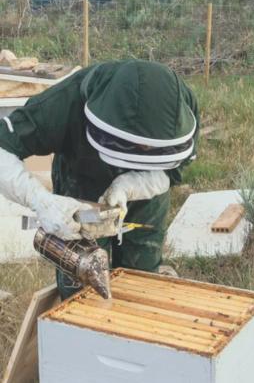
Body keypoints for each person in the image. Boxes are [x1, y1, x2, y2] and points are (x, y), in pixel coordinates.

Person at [0, 60, 199, 298]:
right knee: (80, 279)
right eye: (135, 145)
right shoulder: (64, 101)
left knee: (142, 281)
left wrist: (132, 186)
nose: (142, 149)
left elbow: (174, 170)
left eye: (150, 148)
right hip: (80, 188)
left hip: (149, 199)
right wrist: (40, 201)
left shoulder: (182, 103)